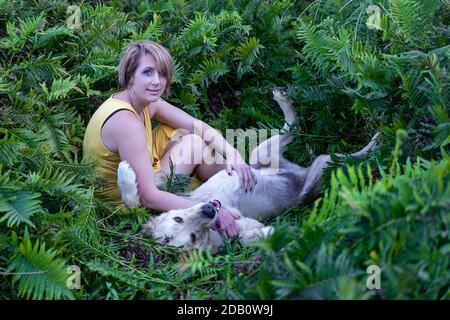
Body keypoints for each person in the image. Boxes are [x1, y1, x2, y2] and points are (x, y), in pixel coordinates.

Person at [83, 40, 256, 239]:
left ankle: (238, 180)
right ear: (130, 77)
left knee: (187, 135)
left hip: (145, 174)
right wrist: (213, 210)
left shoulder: (143, 102)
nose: (157, 81)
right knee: (194, 144)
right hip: (125, 204)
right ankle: (242, 193)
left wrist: (233, 154)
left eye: (162, 73)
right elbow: (147, 197)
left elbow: (196, 125)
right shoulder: (126, 122)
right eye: (147, 72)